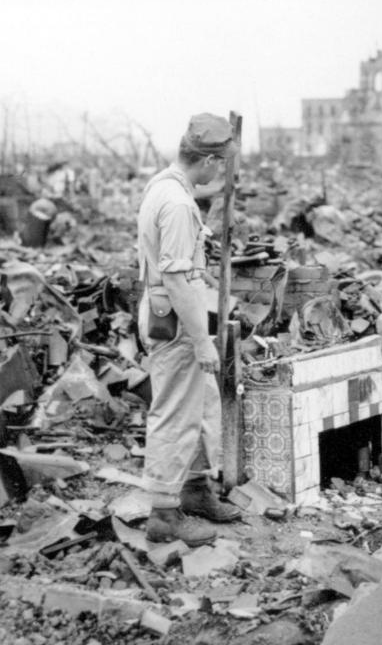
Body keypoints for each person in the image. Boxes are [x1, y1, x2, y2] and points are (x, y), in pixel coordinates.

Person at [137, 113, 243, 546]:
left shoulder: (165, 184)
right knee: (176, 413)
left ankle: (195, 489)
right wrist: (202, 341)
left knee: (202, 407)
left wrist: (222, 191)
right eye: (222, 164)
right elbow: (179, 280)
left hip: (176, 314)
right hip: (178, 321)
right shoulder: (179, 206)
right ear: (212, 160)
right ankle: (163, 514)